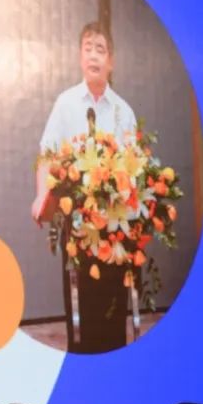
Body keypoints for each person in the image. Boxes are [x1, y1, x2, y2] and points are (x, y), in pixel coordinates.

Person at [31, 21, 135, 353]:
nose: (93, 56)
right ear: (80, 57)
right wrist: (41, 196)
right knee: (82, 317)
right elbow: (46, 155)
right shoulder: (65, 104)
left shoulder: (123, 111)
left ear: (111, 61)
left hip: (114, 230)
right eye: (88, 49)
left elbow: (135, 169)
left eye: (100, 50)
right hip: (76, 227)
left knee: (113, 314)